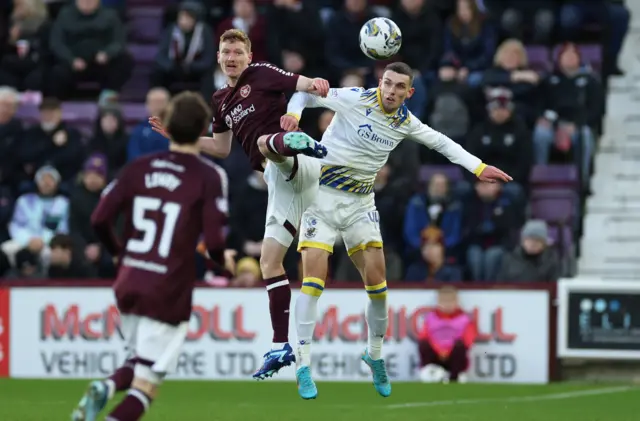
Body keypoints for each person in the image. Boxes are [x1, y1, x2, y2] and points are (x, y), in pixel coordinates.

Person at [284, 61, 511, 399]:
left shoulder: (407, 122)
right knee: (314, 281)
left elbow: (443, 143)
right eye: (387, 83)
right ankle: (303, 365)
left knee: (378, 288)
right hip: (322, 197)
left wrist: (478, 167)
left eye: (398, 87)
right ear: (380, 81)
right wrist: (294, 116)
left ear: (409, 93)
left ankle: (374, 355)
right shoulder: (354, 98)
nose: (390, 91)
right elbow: (303, 94)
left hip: (360, 204)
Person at [149, 28, 330, 380]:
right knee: (269, 262)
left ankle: (297, 142)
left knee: (263, 142)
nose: (232, 57)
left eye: (237, 52)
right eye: (226, 52)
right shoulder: (219, 100)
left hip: (297, 162)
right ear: (218, 57)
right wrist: (181, 137)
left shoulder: (262, 73)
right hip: (280, 183)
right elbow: (221, 148)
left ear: (248, 56)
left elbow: (305, 86)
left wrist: (316, 85)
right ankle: (280, 345)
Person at [71, 91, 228, 421]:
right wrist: (221, 265)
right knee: (147, 385)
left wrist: (119, 254)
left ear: (167, 125)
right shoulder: (209, 176)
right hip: (168, 288)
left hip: (128, 281)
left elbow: (99, 219)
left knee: (138, 356)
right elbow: (214, 241)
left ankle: (109, 386)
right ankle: (109, 392)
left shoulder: (137, 168)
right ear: (203, 128)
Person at [417, 285, 476, 383]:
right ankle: (430, 371)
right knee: (424, 344)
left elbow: (468, 341)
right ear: (438, 303)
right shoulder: (430, 318)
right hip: (436, 354)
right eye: (444, 302)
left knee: (460, 346)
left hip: (452, 355)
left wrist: (448, 351)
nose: (447, 305)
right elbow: (424, 336)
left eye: (450, 302)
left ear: (457, 302)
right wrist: (439, 350)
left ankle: (454, 375)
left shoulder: (464, 320)